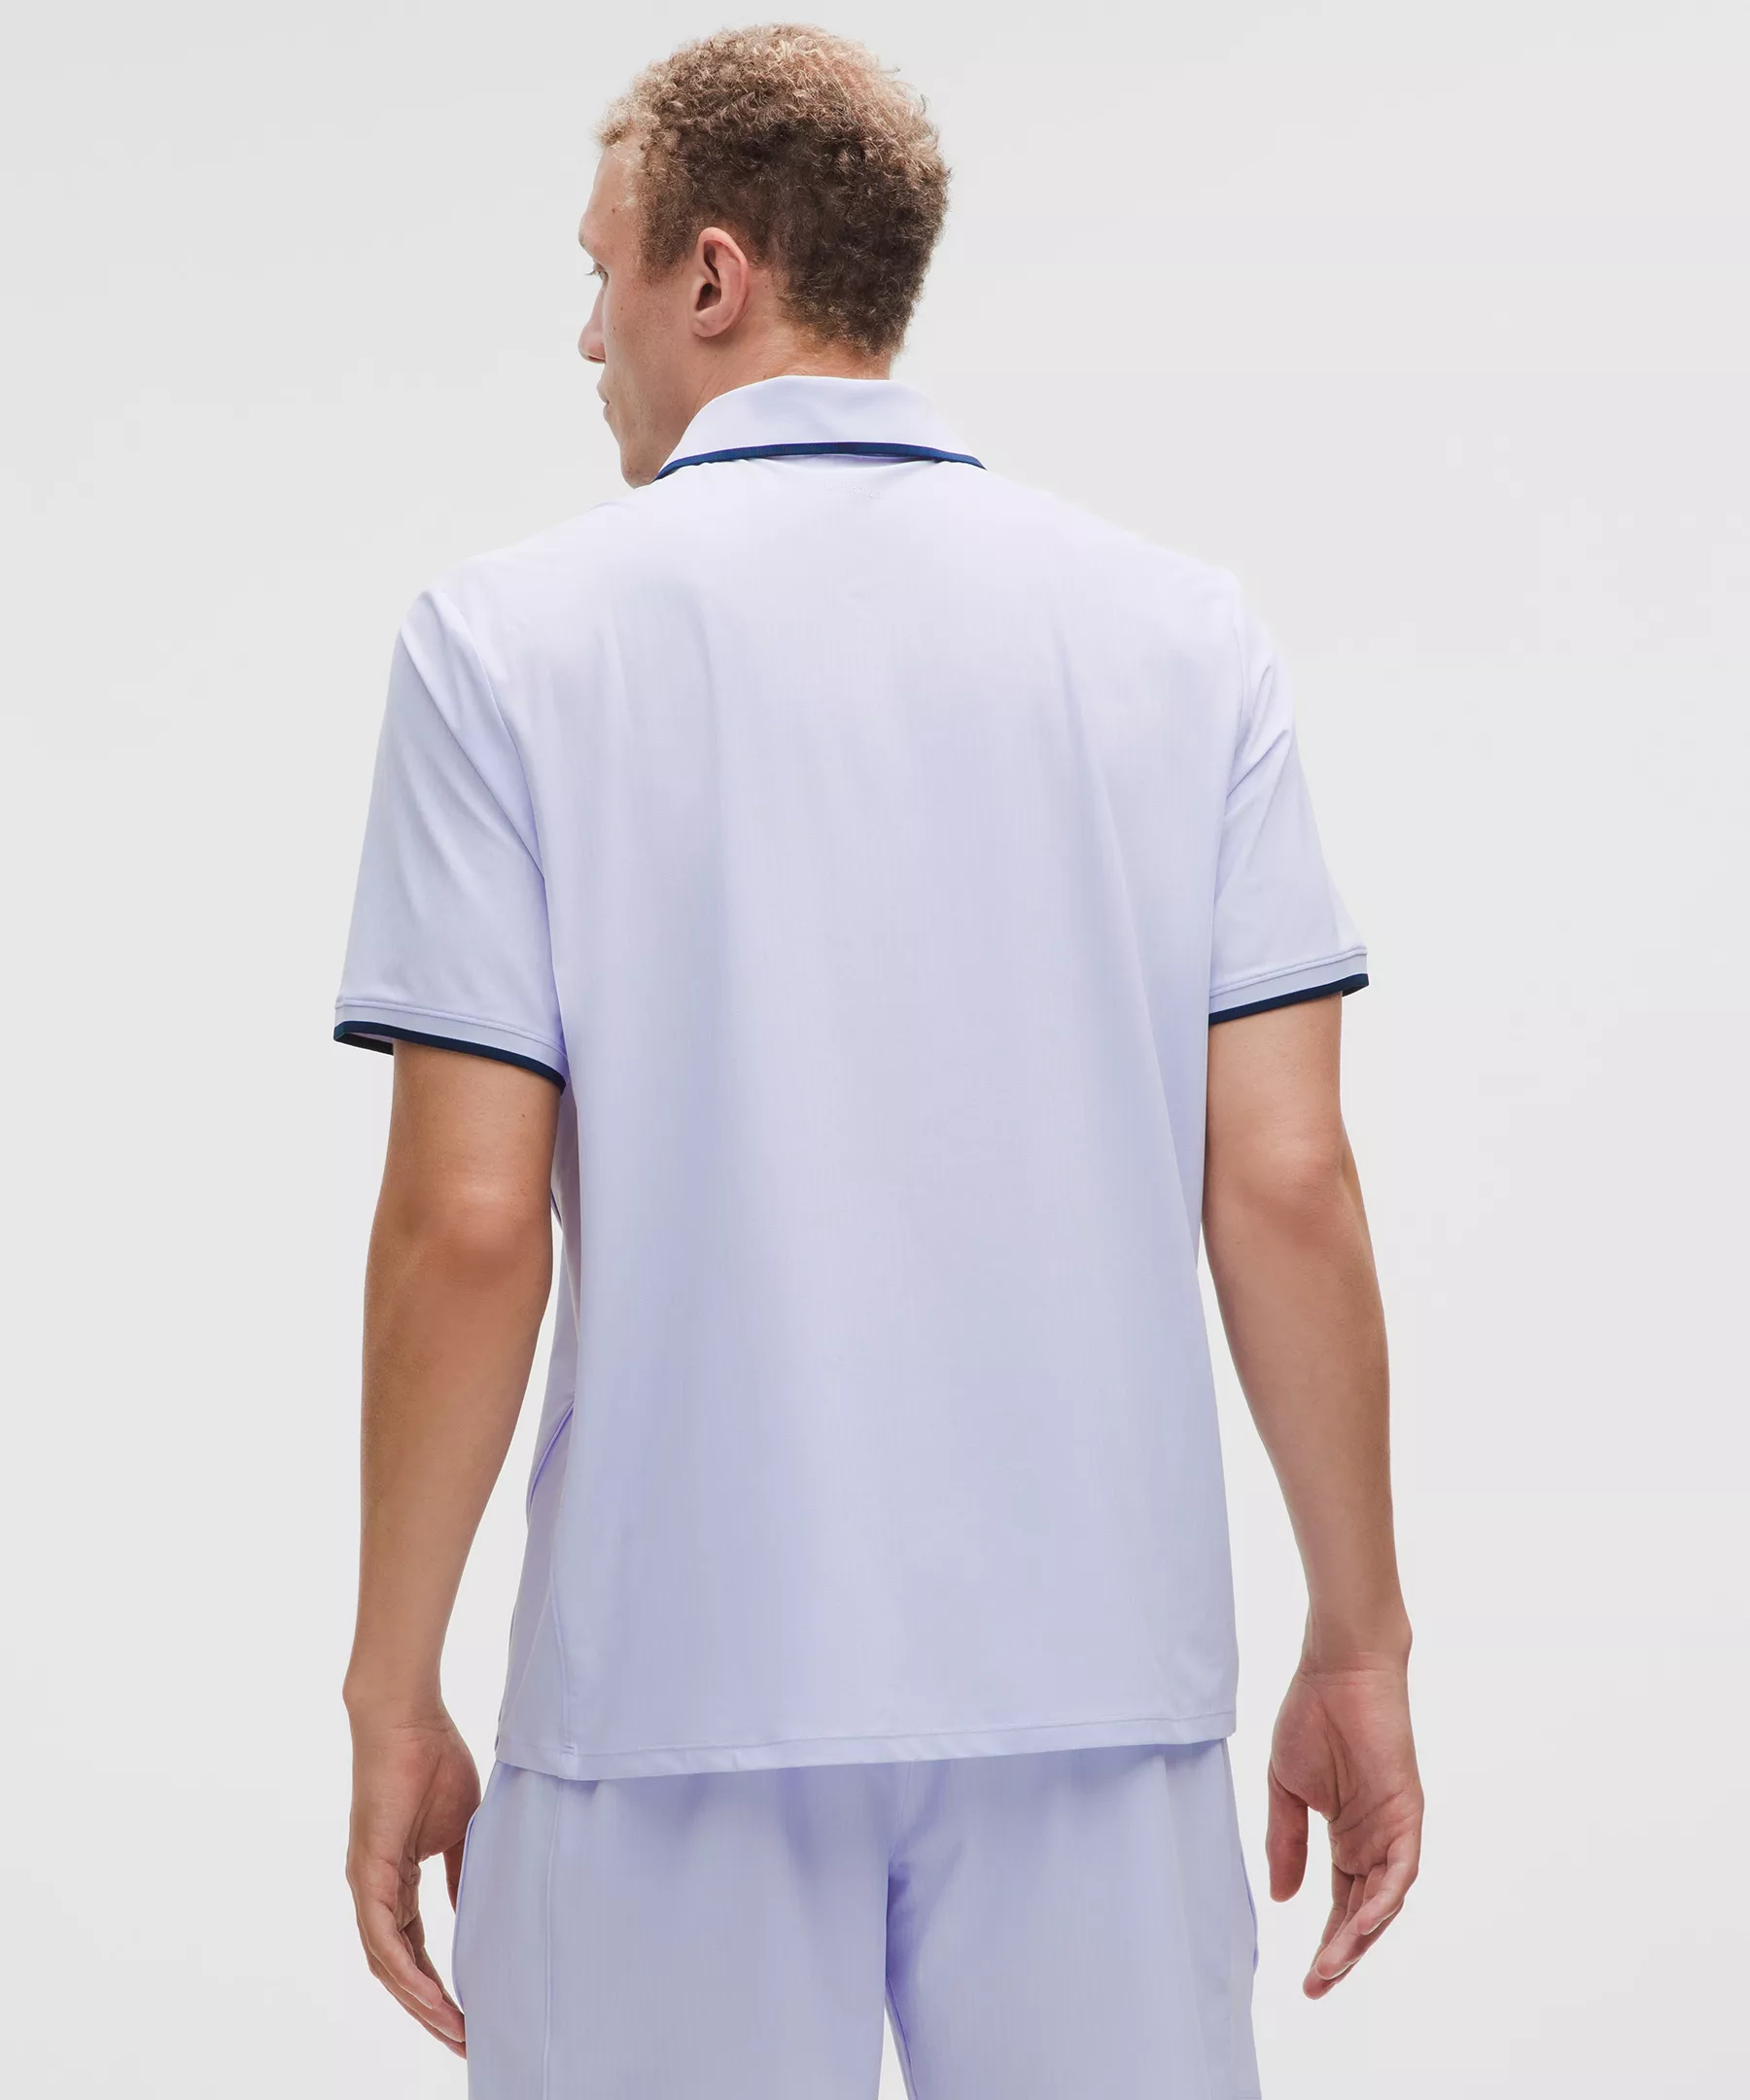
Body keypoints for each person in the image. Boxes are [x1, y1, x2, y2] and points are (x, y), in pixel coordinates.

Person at [335, 24, 1421, 2097]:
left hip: (670, 1688)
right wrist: (1359, 1636)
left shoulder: (503, 647)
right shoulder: (1182, 640)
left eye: (602, 272)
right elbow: (1286, 1181)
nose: (587, 334)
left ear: (714, 276)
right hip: (1097, 1686)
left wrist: (393, 1686)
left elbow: (468, 1225)